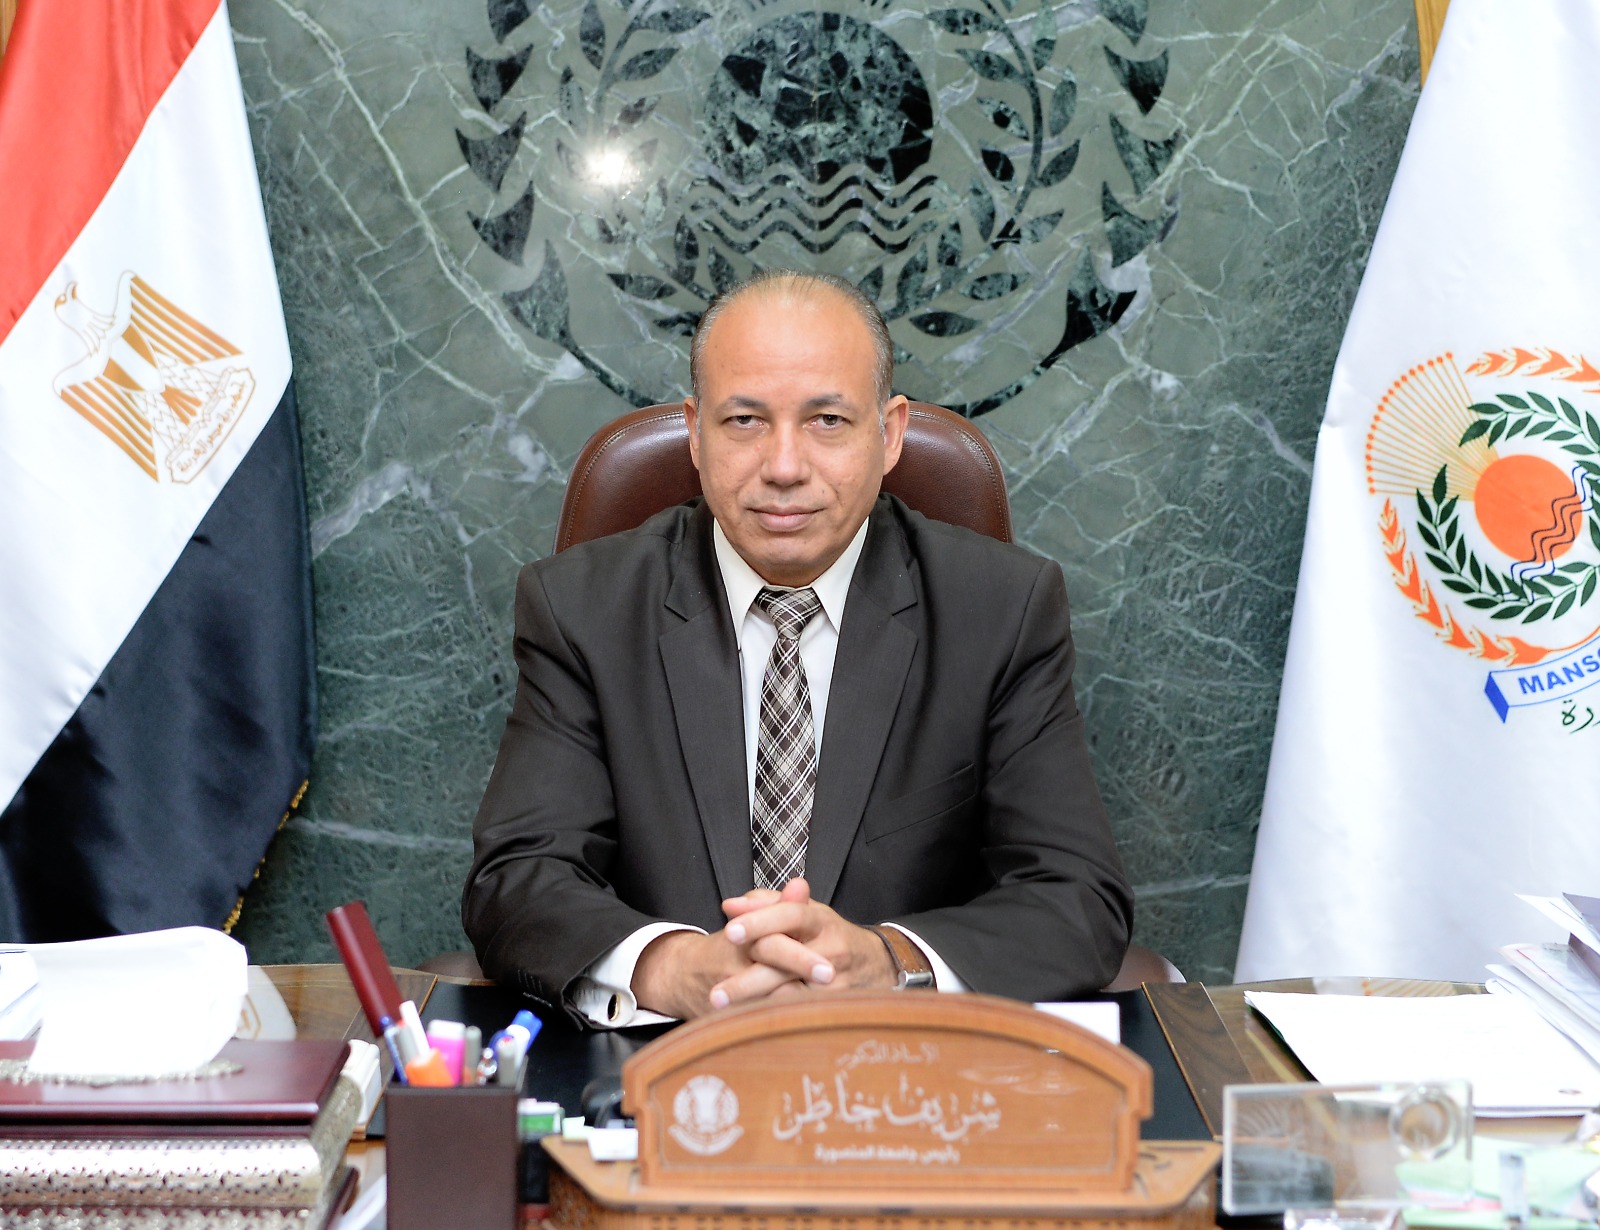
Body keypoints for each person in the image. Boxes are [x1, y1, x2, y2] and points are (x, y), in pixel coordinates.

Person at [462, 270, 1132, 1027]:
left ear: (890, 434)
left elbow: (1077, 897)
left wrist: (888, 963)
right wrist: (675, 969)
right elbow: (519, 879)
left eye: (828, 421)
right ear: (695, 434)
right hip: (660, 1060)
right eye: (745, 420)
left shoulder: (1001, 610)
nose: (783, 467)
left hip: (904, 1063)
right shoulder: (581, 609)